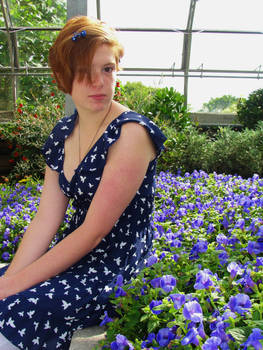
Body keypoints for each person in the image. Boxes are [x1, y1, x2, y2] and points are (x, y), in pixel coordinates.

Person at [0, 15, 166, 349]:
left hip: (116, 265)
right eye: (83, 71)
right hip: (74, 252)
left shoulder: (131, 133)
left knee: (14, 308)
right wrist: (11, 277)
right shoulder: (62, 134)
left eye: (107, 69)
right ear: (62, 76)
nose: (99, 82)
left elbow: (94, 233)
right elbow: (47, 218)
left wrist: (10, 289)